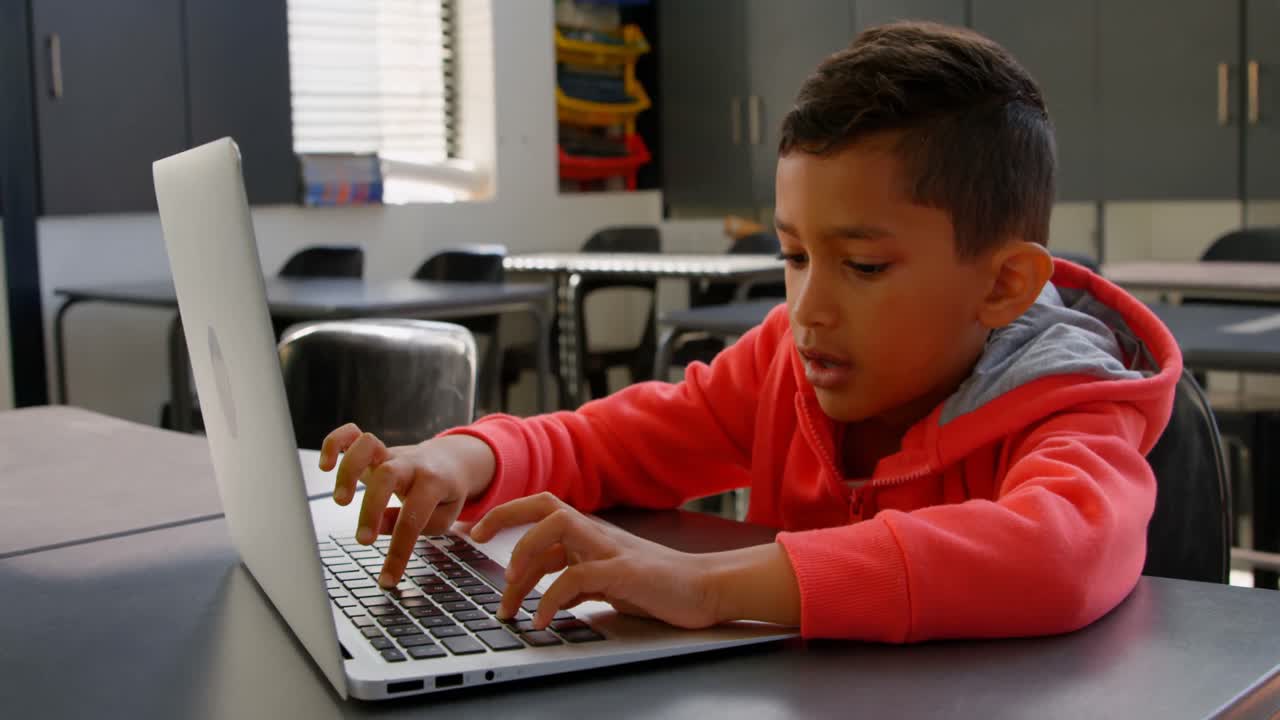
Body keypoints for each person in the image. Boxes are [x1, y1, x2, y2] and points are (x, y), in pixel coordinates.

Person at [319, 21, 1181, 642]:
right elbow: (613, 441)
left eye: (865, 267)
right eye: (795, 255)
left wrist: (703, 584)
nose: (807, 309)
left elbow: (1061, 553)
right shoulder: (786, 362)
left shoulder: (1069, 398)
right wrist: (467, 459)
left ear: (1002, 285)